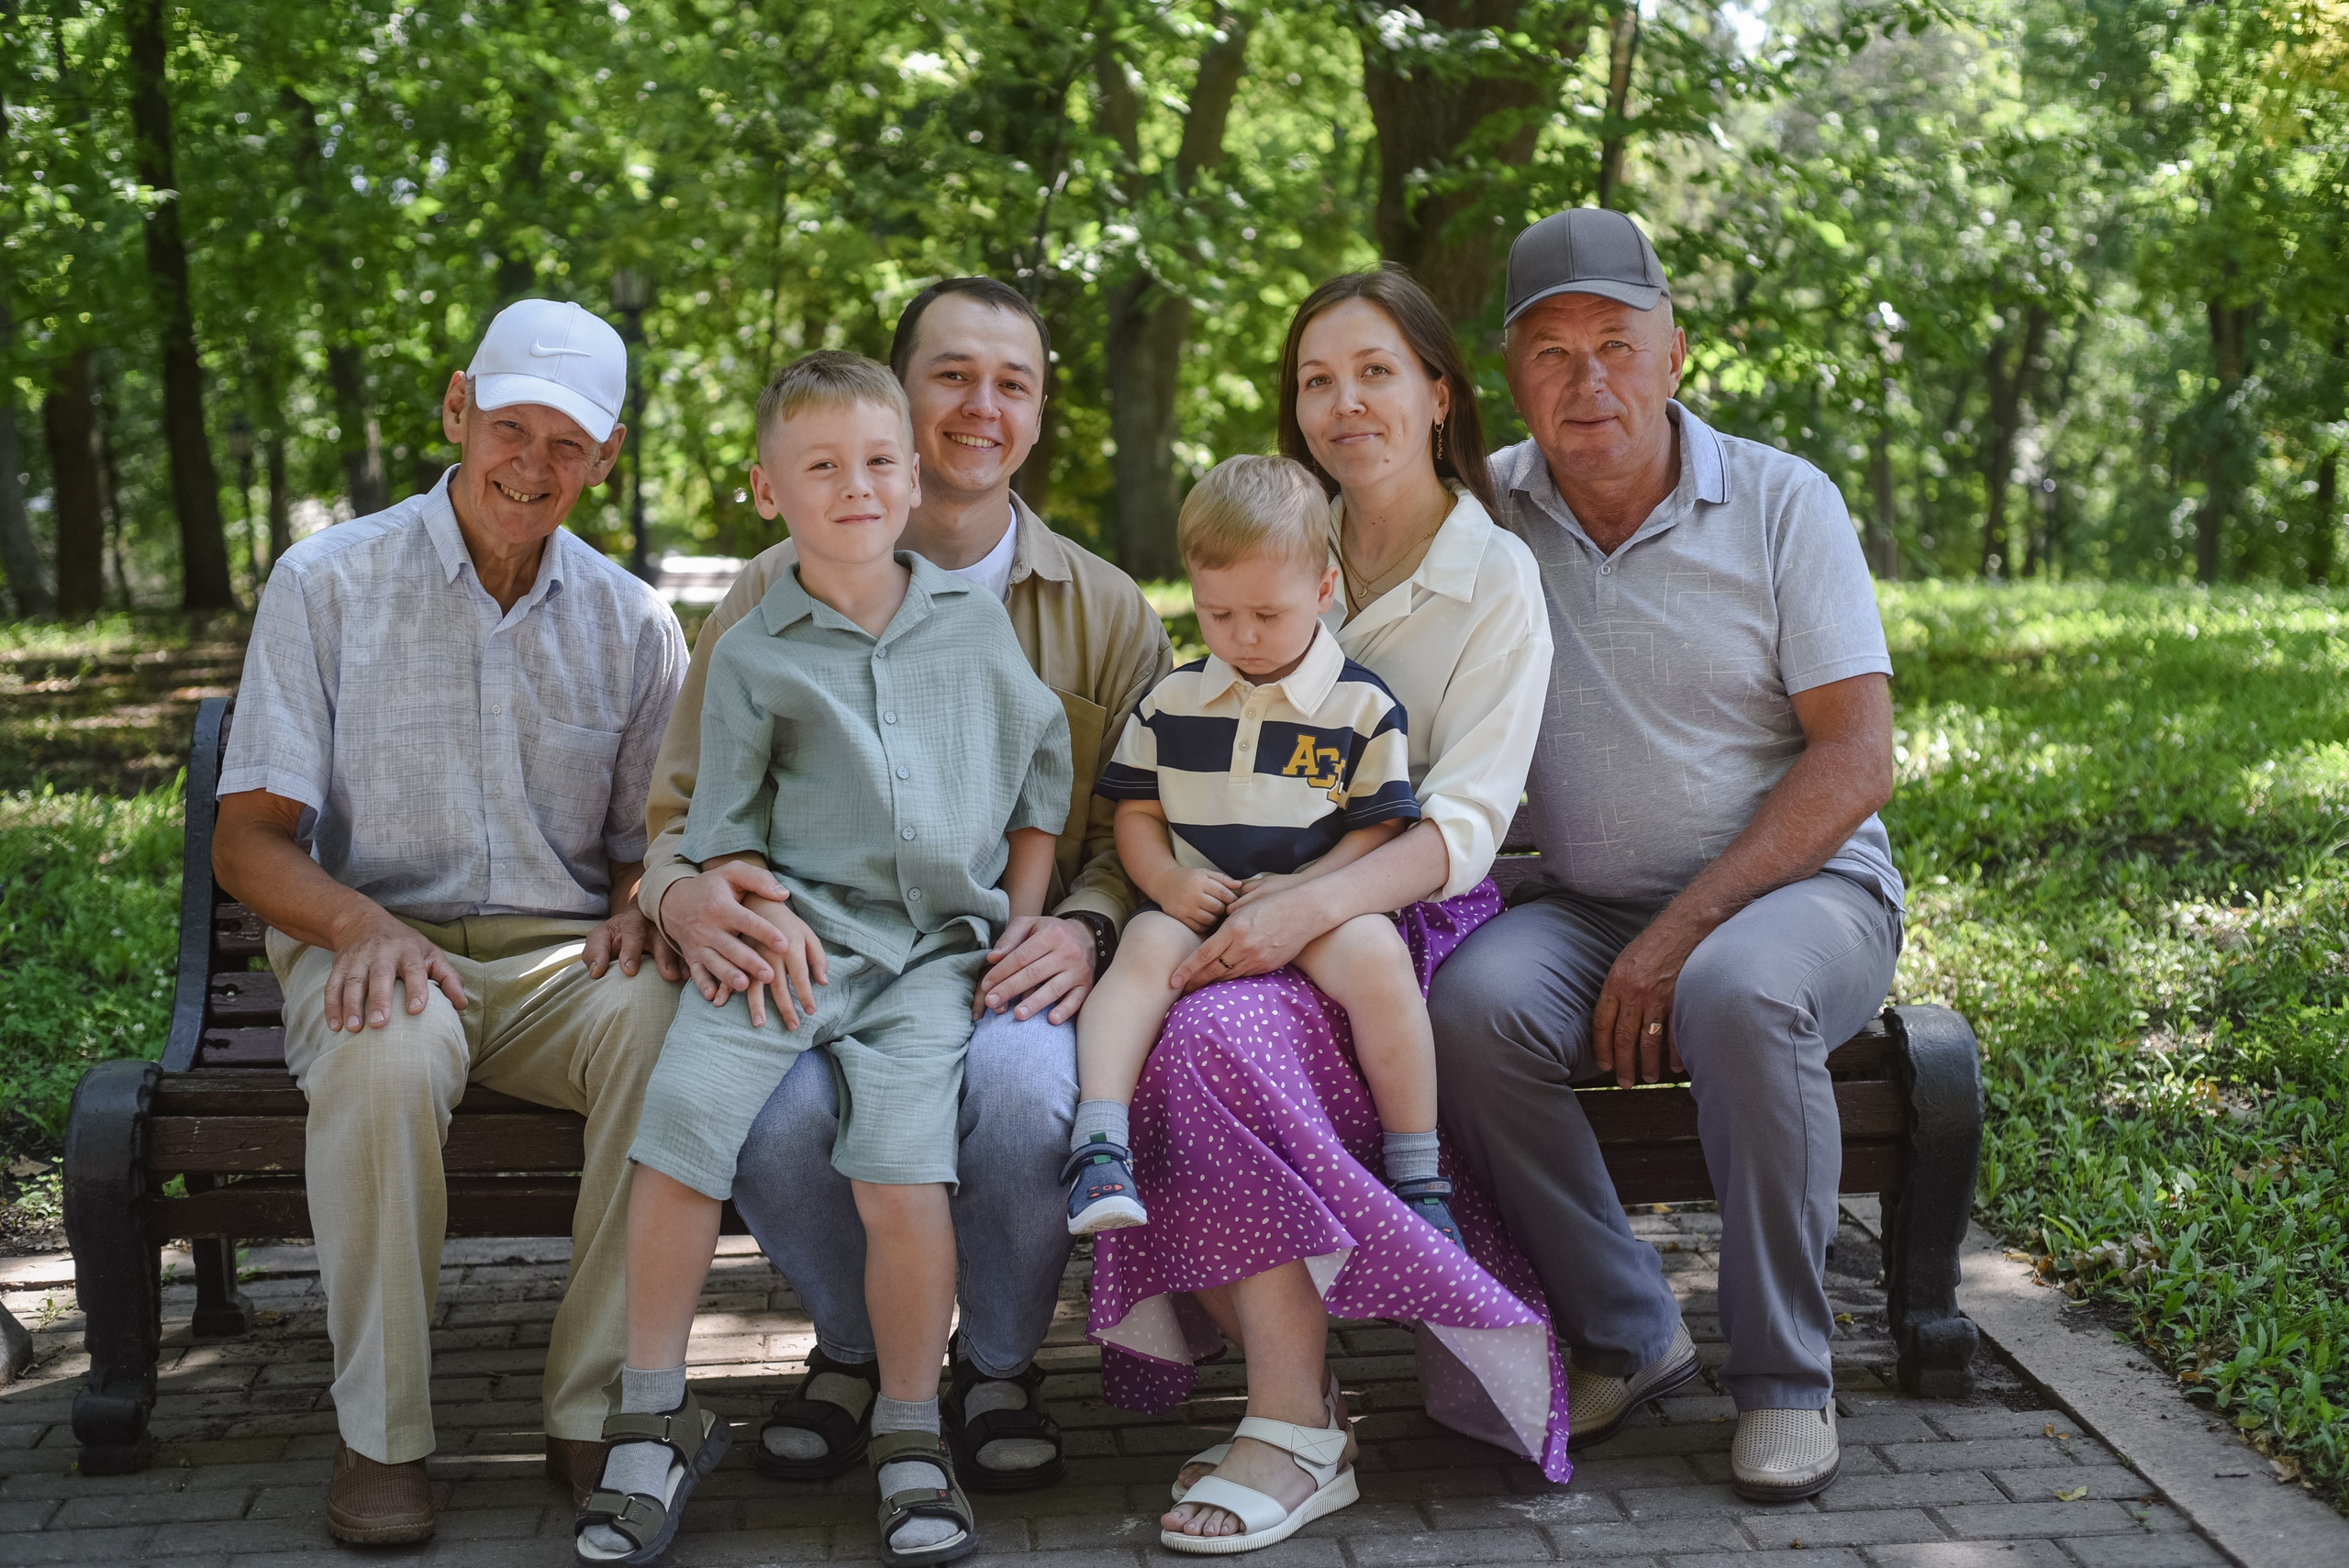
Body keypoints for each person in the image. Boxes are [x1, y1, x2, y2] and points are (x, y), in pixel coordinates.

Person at [639, 278, 1173, 1493]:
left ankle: (993, 1363)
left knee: (1023, 1092)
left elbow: (1142, 830)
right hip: (818, 952)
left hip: (1016, 958)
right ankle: (863, 1349)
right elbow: (682, 812)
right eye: (952, 376)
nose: (982, 407)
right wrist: (686, 899)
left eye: (1013, 383)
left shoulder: (1102, 610)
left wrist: (1086, 928)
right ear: (897, 393)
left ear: (1038, 417)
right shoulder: (771, 595)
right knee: (774, 1117)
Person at [1085, 267, 1562, 1556]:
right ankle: (1306, 1404)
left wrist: (1307, 910)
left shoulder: (1495, 579)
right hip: (1237, 905)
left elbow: (1462, 827)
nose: (1342, 400)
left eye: (1374, 371)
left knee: (1214, 1045)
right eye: (1315, 378)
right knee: (1159, 1023)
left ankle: (1293, 1423)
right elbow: (1174, 757)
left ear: (1436, 393)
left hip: (1392, 934)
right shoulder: (1275, 545)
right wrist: (1184, 892)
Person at [1431, 206, 1903, 1504]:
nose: (1590, 380)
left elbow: (1856, 761)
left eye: (1618, 344)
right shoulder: (1484, 518)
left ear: (1676, 354)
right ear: (1510, 378)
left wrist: (1683, 929)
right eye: (1552, 351)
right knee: (1465, 1009)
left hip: (1803, 894)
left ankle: (1785, 1381)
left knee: (1737, 991)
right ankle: (1632, 1336)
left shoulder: (1780, 500)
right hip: (1581, 902)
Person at [576, 351, 1070, 1567]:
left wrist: (1016, 922)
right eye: (822, 466)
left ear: (911, 482)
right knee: (682, 1125)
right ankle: (651, 1412)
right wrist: (723, 897)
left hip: (929, 965)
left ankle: (911, 1432)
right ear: (765, 489)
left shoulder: (973, 625)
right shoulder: (752, 650)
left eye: (877, 462)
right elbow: (714, 827)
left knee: (903, 1174)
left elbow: (1040, 781)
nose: (856, 486)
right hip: (791, 944)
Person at [210, 299, 686, 1546]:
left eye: (567, 445)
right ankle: (383, 1438)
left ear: (608, 456)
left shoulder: (636, 622)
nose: (532, 466)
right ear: (456, 408)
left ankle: (597, 1411)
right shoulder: (327, 582)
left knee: (667, 1025)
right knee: (385, 1051)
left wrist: (641, 910)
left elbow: (653, 844)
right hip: (369, 939)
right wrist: (360, 925)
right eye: (511, 428)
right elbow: (248, 836)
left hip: (553, 964)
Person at [1067, 454, 1455, 1251]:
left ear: (1322, 590)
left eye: (1268, 615)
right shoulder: (1170, 700)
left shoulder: (1360, 705)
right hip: (1197, 906)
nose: (1242, 637)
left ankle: (1418, 1173)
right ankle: (1100, 1147)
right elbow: (1135, 815)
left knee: (1380, 960)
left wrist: (1304, 890)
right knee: (1140, 951)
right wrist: (1168, 882)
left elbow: (1376, 827)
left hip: (1317, 908)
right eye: (1217, 614)